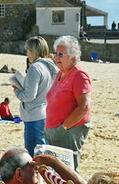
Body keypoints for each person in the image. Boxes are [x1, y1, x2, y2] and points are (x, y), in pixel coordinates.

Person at [45, 35, 92, 169]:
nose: (56, 58)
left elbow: (84, 106)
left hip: (68, 131)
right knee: (55, 172)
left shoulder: (79, 75)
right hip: (54, 130)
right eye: (56, 54)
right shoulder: (61, 73)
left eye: (61, 54)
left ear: (72, 57)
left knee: (68, 172)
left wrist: (64, 127)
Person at [12, 36, 58, 157]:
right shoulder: (51, 66)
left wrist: (17, 91)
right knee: (44, 153)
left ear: (33, 51)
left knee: (34, 155)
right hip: (47, 113)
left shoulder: (35, 68)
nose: (26, 53)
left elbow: (29, 96)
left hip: (34, 115)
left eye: (28, 50)